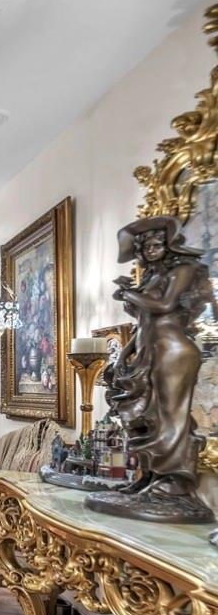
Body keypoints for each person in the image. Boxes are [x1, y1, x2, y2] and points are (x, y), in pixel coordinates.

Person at [88, 216, 216, 522]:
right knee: (147, 416)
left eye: (157, 244)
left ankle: (174, 485)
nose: (150, 251)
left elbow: (164, 305)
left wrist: (128, 293)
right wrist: (124, 354)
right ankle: (150, 477)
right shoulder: (151, 276)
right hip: (149, 349)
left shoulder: (184, 270)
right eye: (145, 247)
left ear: (169, 244)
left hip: (173, 351)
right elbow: (143, 321)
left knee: (171, 417)